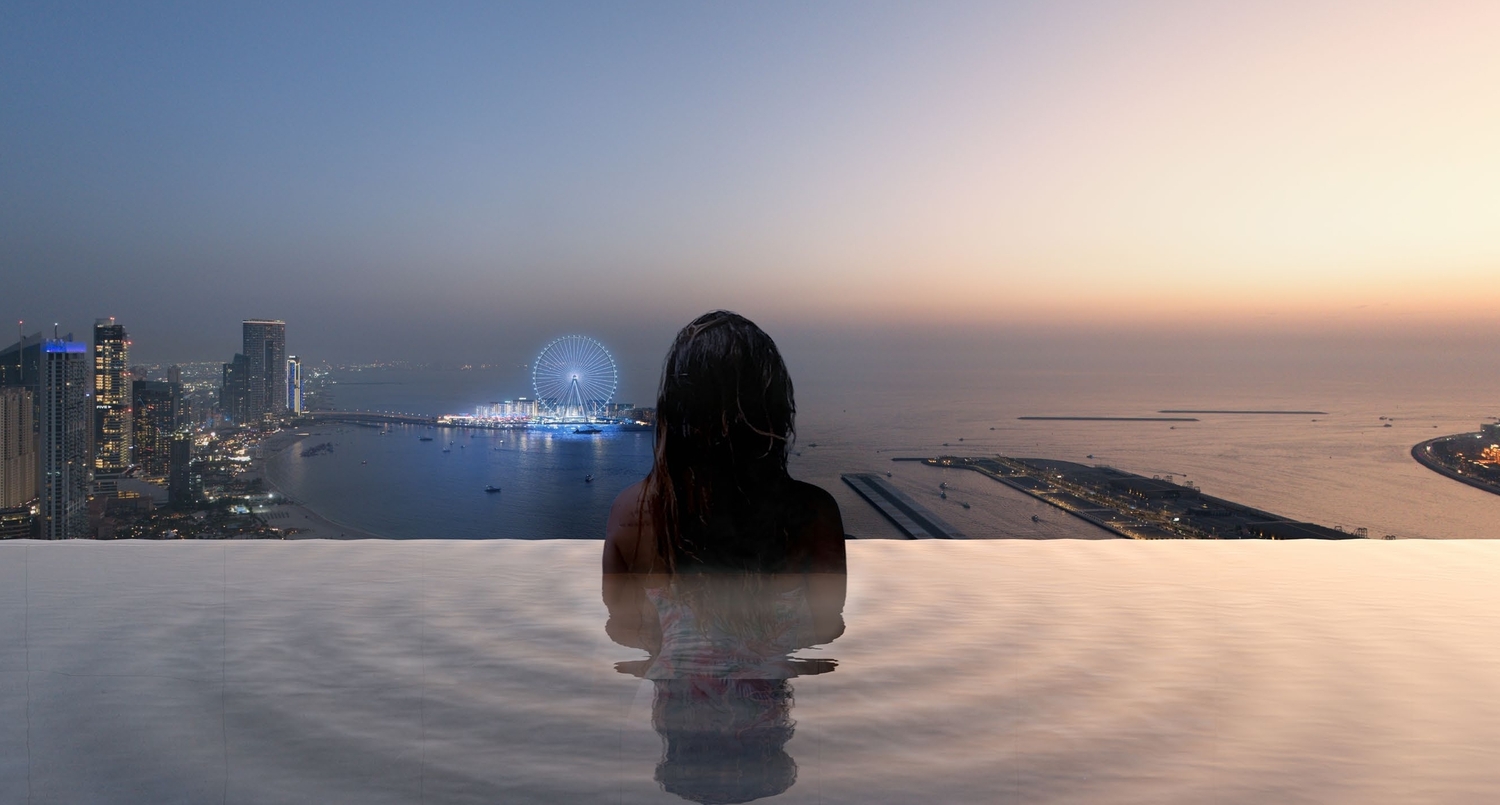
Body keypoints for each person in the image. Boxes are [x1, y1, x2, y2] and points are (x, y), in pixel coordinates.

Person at [603, 310, 846, 803]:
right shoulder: (812, 514)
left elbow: (622, 627)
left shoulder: (632, 511)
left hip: (677, 740)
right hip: (767, 744)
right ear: (774, 408)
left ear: (674, 407)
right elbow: (825, 629)